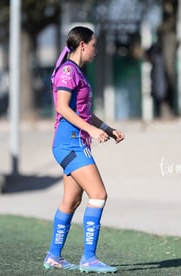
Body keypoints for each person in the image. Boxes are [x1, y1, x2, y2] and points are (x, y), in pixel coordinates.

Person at [43, 26, 125, 273]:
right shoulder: (69, 71)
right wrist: (90, 130)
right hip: (70, 144)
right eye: (94, 45)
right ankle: (89, 258)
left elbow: (83, 112)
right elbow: (63, 108)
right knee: (99, 195)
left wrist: (107, 128)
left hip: (72, 143)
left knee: (72, 200)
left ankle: (54, 256)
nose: (96, 50)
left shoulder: (76, 71)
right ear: (82, 45)